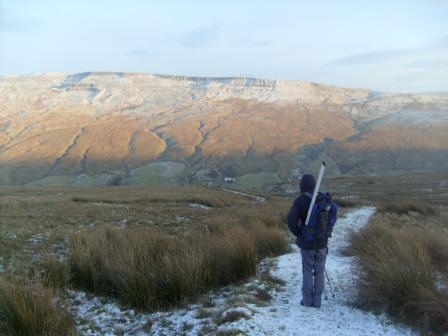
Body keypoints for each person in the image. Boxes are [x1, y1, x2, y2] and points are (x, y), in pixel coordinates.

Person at [287, 174, 336, 308]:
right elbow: (331, 219)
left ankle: (307, 301)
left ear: (302, 186)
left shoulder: (301, 200)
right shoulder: (323, 199)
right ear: (314, 185)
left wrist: (299, 234)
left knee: (308, 270)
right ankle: (317, 301)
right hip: (322, 243)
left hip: (307, 244)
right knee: (319, 271)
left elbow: (291, 220)